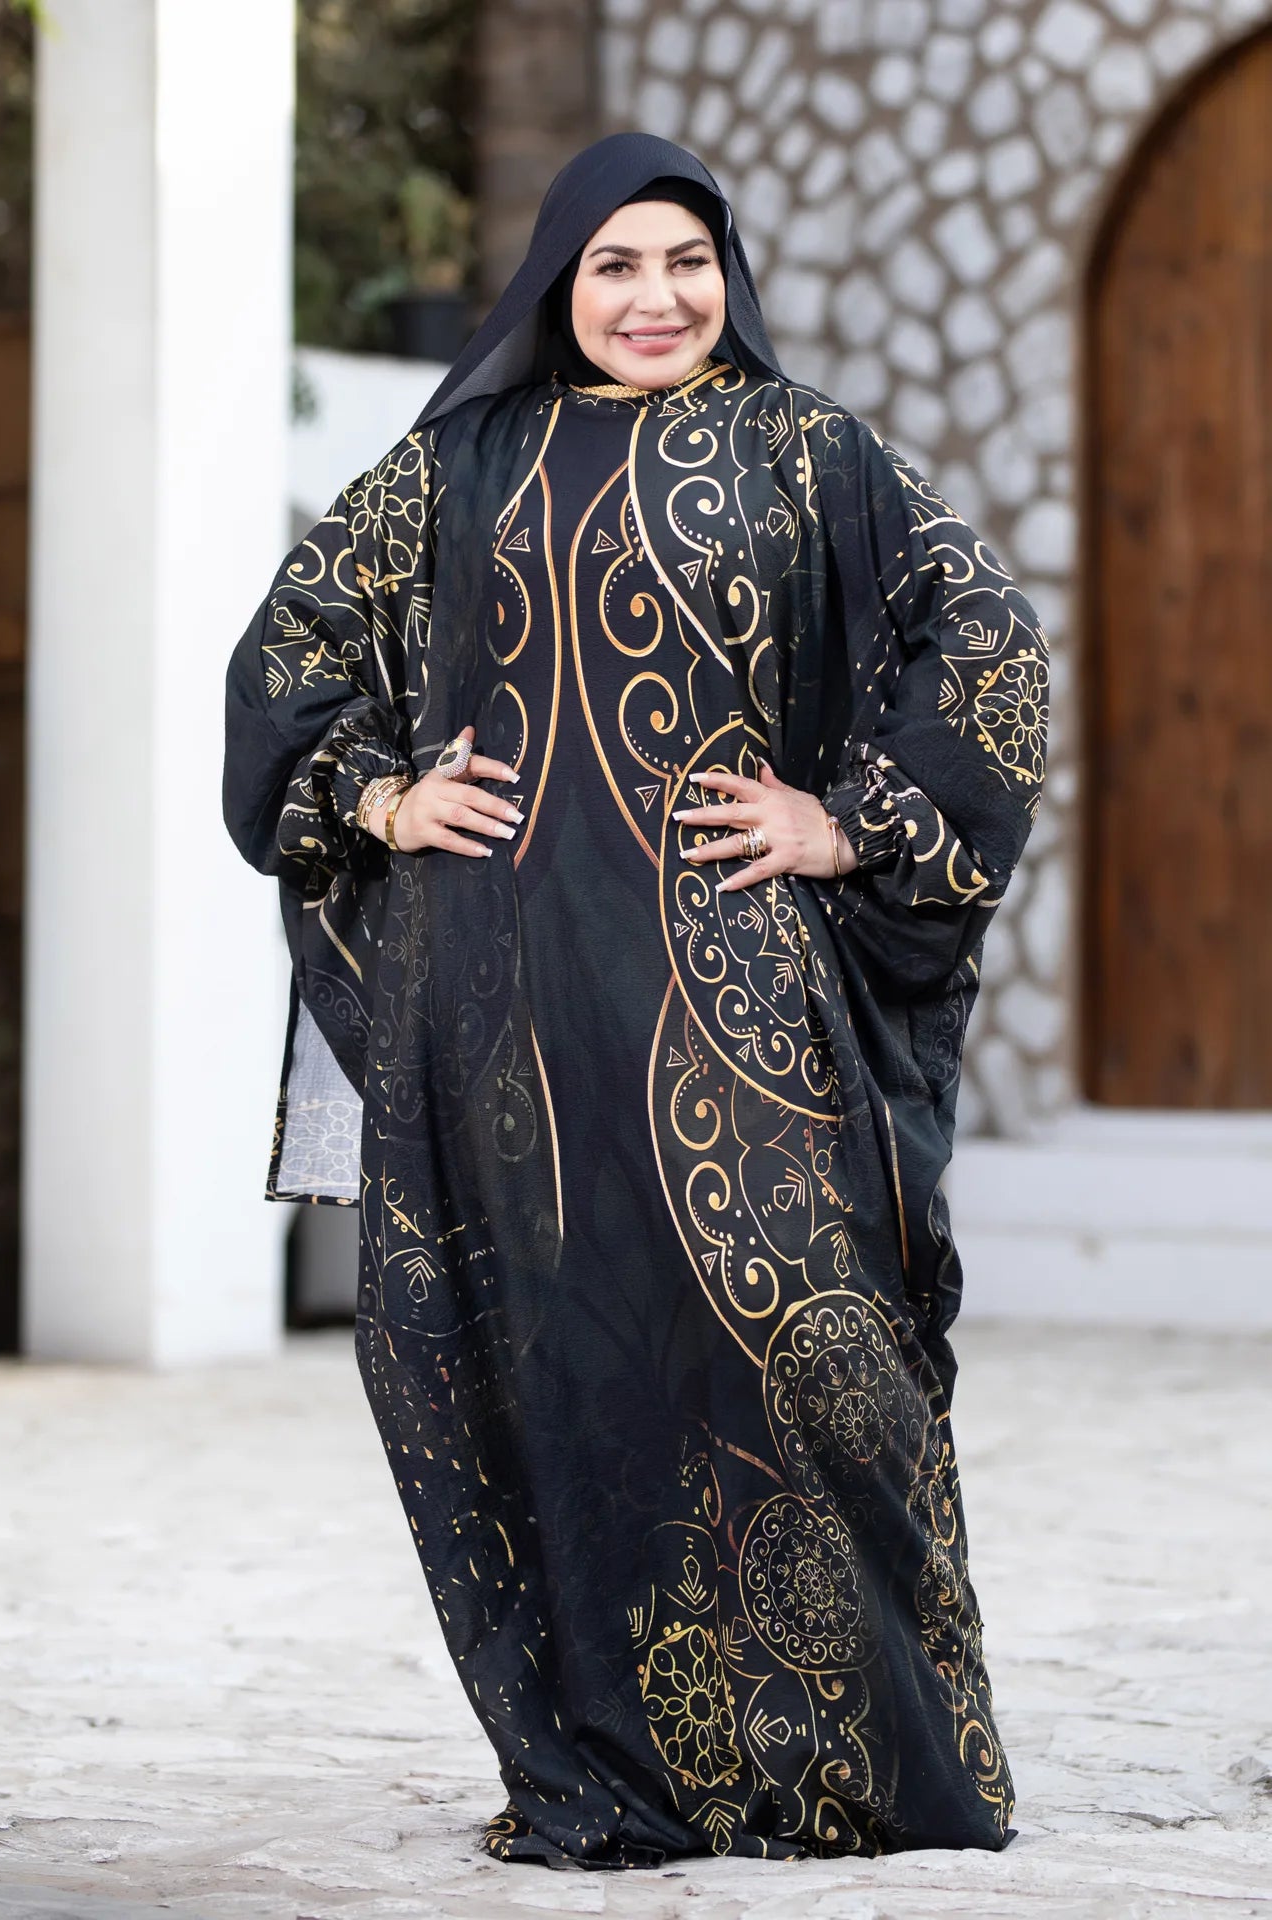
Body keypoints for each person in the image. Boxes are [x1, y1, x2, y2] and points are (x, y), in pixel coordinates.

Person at [223, 132, 1047, 1868]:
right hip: (497, 1006)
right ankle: (609, 1759)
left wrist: (846, 821)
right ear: (557, 281)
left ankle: (855, 1765)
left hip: (733, 993)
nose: (655, 297)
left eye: (685, 260)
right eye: (613, 264)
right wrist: (379, 797)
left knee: (815, 1353)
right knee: (538, 1370)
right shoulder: (459, 462)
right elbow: (288, 659)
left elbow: (985, 645)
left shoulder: (813, 451)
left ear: (727, 273)